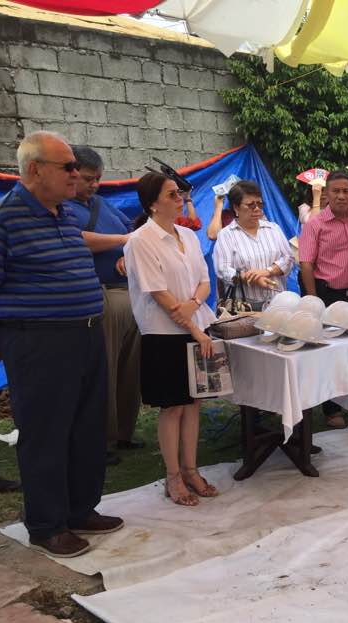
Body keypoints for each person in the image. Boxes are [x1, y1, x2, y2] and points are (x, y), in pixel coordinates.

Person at [0, 131, 122, 556]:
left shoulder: (66, 214)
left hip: (85, 332)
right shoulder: (2, 219)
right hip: (39, 339)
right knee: (45, 432)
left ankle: (80, 508)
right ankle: (46, 524)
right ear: (34, 170)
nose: (75, 173)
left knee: (87, 425)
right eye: (66, 166)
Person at [124, 172, 218, 507]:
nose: (180, 199)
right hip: (164, 334)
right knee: (173, 406)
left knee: (194, 402)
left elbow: (205, 282)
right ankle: (173, 476)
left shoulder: (187, 237)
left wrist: (193, 308)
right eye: (171, 194)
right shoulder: (140, 241)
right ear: (152, 204)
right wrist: (192, 326)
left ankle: (192, 469)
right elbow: (159, 295)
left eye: (179, 193)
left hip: (195, 325)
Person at [65, 146, 143, 463]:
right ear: (71, 174)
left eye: (98, 179)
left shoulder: (103, 205)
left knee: (130, 369)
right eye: (88, 179)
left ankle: (124, 431)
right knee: (104, 370)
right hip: (100, 298)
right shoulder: (61, 209)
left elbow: (130, 231)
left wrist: (127, 250)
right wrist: (124, 243)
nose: (94, 185)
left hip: (128, 294)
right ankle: (101, 439)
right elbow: (77, 238)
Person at [299, 170, 348, 429]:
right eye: (336, 191)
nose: (341, 196)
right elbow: (306, 264)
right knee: (331, 354)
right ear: (327, 194)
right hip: (329, 296)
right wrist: (313, 301)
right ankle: (332, 409)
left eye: (346, 191)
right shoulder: (315, 224)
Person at [213, 180, 295, 307]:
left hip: (277, 303)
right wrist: (250, 278)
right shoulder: (226, 235)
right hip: (245, 307)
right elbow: (222, 270)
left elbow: (288, 258)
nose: (257, 209)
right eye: (251, 205)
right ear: (236, 207)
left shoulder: (273, 229)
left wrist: (267, 271)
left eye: (260, 204)